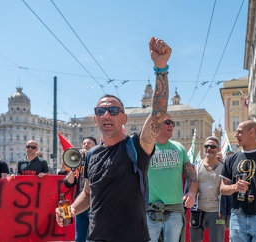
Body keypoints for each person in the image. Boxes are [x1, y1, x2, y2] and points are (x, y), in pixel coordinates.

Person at [56, 36, 171, 241]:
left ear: (124, 118)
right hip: (96, 237)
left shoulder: (136, 146)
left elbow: (158, 115)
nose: (107, 114)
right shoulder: (91, 154)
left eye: (113, 110)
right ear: (95, 118)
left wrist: (160, 69)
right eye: (101, 110)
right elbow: (88, 193)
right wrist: (72, 209)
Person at [146, 114, 198, 242]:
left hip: (175, 210)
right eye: (167, 122)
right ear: (156, 124)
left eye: (172, 123)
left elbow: (191, 174)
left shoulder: (179, 147)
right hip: (151, 210)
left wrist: (191, 192)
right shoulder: (146, 148)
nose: (171, 125)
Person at [189, 136, 226, 242]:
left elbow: (228, 194)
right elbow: (189, 189)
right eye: (207, 146)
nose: (209, 148)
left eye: (213, 146)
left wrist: (227, 214)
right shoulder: (195, 167)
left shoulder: (224, 168)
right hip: (197, 211)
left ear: (218, 149)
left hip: (217, 212)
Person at [63, 136, 97, 242]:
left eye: (89, 143)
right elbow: (67, 183)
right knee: (79, 237)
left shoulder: (99, 161)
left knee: (94, 237)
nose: (85, 145)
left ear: (95, 146)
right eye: (84, 144)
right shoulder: (79, 163)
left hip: (94, 206)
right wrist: (73, 170)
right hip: (80, 205)